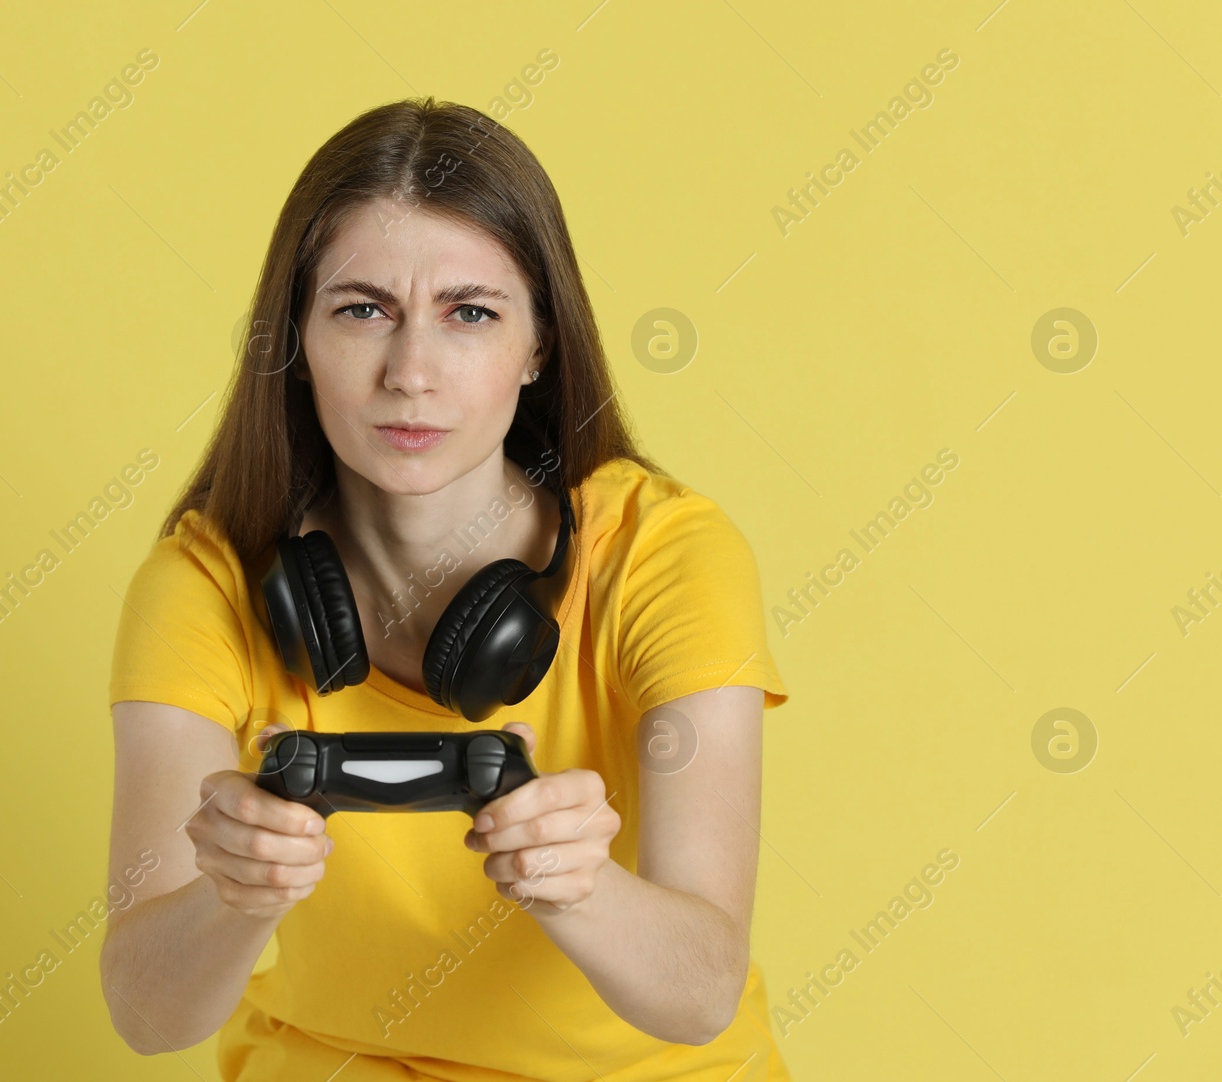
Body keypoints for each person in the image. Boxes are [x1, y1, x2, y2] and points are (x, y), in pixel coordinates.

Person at [100, 96, 793, 1081]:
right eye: (361, 309)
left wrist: (577, 884)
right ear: (295, 337)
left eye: (469, 312)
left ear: (537, 345)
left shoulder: (668, 554)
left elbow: (701, 989)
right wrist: (234, 893)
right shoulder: (203, 584)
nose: (410, 372)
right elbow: (143, 1008)